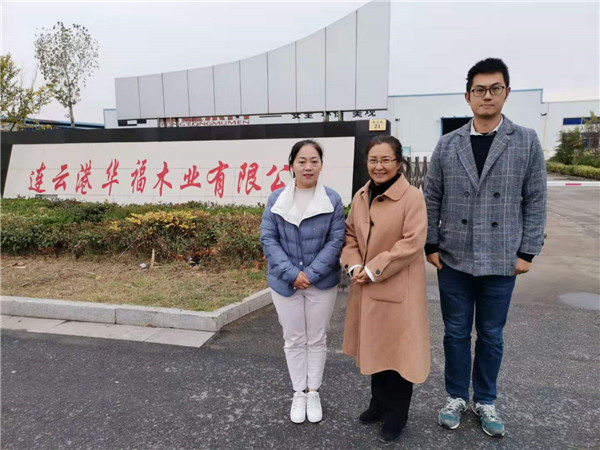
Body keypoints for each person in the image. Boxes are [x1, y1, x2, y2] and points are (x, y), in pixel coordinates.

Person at [424, 58, 547, 438]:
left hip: (502, 257)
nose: (487, 96)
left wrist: (527, 251)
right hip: (454, 257)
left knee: (491, 334)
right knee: (455, 333)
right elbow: (432, 196)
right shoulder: (449, 143)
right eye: (480, 90)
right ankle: (456, 396)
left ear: (506, 92)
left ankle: (486, 399)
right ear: (468, 96)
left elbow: (536, 199)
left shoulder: (525, 140)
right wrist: (431, 244)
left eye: (495, 88)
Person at [341, 135, 430, 443]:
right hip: (367, 287)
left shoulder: (412, 198)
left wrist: (373, 269)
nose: (378, 166)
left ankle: (397, 415)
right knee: (376, 348)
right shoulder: (361, 195)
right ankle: (378, 404)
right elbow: (350, 236)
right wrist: (354, 265)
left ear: (398, 163)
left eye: (386, 160)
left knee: (399, 355)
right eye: (373, 160)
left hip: (398, 289)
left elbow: (412, 243)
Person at [260, 139, 346, 424]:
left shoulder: (331, 199)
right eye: (302, 161)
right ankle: (298, 391)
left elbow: (336, 240)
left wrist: (310, 274)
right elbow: (268, 239)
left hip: (321, 283)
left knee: (317, 338)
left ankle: (313, 392)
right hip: (285, 283)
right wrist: (292, 274)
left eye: (314, 161)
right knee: (294, 338)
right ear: (292, 165)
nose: (308, 166)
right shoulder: (276, 199)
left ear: (321, 165)